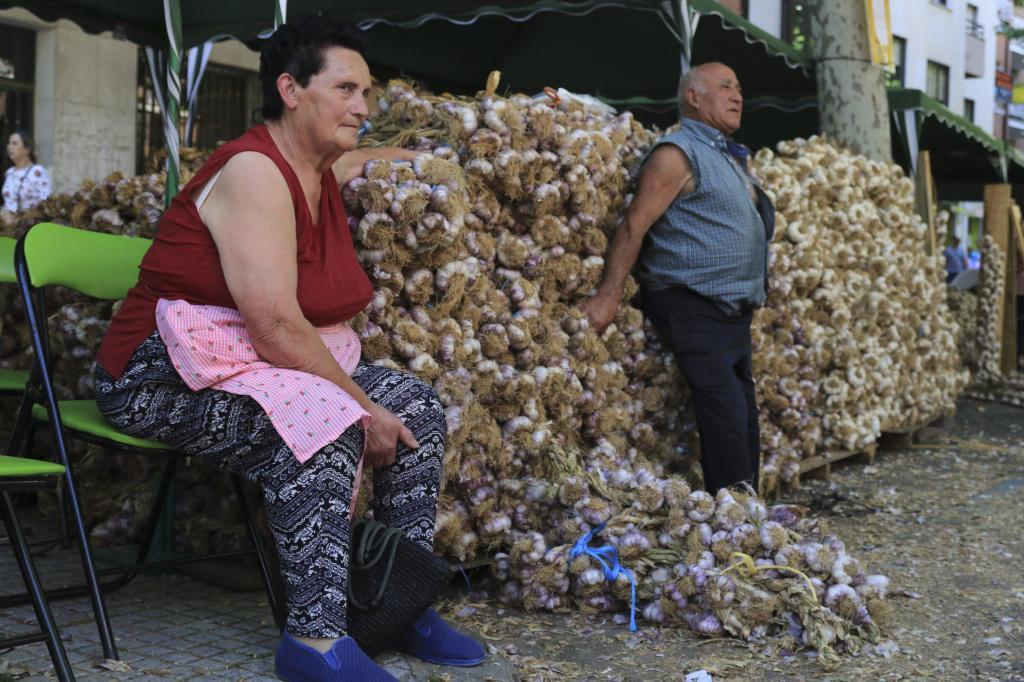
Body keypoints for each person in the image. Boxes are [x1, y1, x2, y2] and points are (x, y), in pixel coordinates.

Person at [93, 16, 483, 682]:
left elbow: (361, 158)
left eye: (368, 92)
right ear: (290, 89)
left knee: (414, 406)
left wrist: (421, 160)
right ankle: (314, 643)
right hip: (155, 377)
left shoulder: (317, 167)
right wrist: (360, 407)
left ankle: (402, 604)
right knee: (320, 425)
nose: (364, 105)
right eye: (347, 89)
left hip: (242, 365)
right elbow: (274, 325)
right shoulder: (254, 172)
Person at [581, 62, 774, 494]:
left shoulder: (726, 156)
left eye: (739, 87)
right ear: (693, 97)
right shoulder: (676, 155)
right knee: (725, 414)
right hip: (693, 305)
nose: (737, 95)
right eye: (725, 87)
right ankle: (733, 516)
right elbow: (634, 224)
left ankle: (745, 507)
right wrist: (607, 296)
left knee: (742, 414)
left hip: (731, 313)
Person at [2, 129, 51, 224]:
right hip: (8, 227)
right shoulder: (9, 172)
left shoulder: (37, 172)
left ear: (27, 149)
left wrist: (22, 217)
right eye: (9, 143)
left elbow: (46, 202)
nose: (9, 147)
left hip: (26, 226)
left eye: (14, 143)